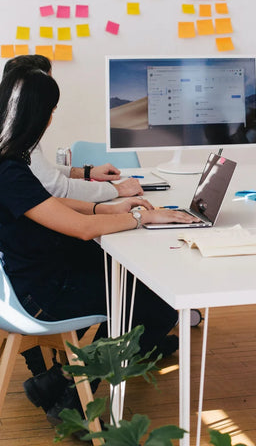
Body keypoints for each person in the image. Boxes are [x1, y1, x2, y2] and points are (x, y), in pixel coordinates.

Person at [0, 67, 200, 425]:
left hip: (33, 274)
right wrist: (143, 219)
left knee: (140, 291)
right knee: (154, 306)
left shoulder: (10, 160)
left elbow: (50, 205)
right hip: (39, 294)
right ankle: (70, 400)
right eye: (51, 111)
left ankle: (57, 384)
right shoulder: (9, 169)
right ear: (39, 115)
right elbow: (80, 229)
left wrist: (108, 208)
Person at [3, 54, 143, 202]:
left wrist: (87, 172)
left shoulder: (15, 133)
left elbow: (42, 172)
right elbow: (59, 189)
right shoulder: (14, 144)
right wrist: (118, 190)